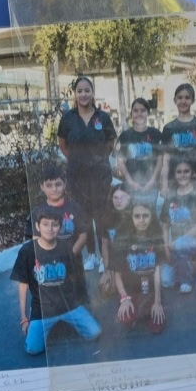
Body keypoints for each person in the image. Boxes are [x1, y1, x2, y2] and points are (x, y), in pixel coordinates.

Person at [11, 208, 101, 357]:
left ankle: (67, 321)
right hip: (43, 309)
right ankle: (46, 325)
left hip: (68, 304)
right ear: (38, 226)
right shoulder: (27, 251)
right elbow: (23, 285)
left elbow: (73, 277)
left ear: (60, 227)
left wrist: (82, 303)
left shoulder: (66, 248)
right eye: (45, 224)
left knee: (95, 333)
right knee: (33, 349)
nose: (50, 229)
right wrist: (23, 318)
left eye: (54, 225)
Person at [56, 76, 117, 268]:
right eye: (80, 91)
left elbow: (111, 142)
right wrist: (77, 160)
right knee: (83, 216)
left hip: (100, 176)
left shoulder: (103, 117)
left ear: (92, 93)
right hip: (77, 177)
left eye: (87, 90)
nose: (83, 94)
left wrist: (99, 160)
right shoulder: (68, 118)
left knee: (101, 216)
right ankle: (91, 255)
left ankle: (104, 257)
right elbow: (63, 144)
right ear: (75, 94)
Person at [112, 199, 166, 334]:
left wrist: (158, 302)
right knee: (126, 318)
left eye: (145, 216)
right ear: (131, 218)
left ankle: (146, 311)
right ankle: (137, 309)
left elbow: (157, 271)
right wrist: (124, 298)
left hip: (150, 291)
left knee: (157, 326)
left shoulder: (156, 238)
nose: (141, 220)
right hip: (130, 290)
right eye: (137, 216)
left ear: (152, 217)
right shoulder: (123, 239)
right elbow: (117, 273)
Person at [24, 160, 89, 256]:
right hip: (47, 260)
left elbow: (83, 235)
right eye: (49, 185)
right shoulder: (37, 212)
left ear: (64, 184)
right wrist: (48, 257)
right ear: (42, 187)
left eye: (58, 184)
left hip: (72, 259)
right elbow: (35, 239)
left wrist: (69, 256)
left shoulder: (75, 208)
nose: (54, 189)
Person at [160, 158, 196, 293]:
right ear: (174, 175)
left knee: (181, 246)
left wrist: (179, 241)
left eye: (186, 171)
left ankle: (186, 281)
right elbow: (165, 225)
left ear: (192, 173)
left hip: (195, 241)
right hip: (174, 246)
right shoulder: (170, 197)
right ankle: (190, 266)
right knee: (166, 281)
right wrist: (166, 248)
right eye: (179, 172)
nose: (183, 175)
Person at [160, 83, 196, 193]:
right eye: (180, 98)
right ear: (175, 100)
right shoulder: (169, 128)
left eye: (187, 98)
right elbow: (166, 159)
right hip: (175, 180)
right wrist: (164, 184)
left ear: (193, 100)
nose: (183, 101)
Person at [116, 97, 164, 195]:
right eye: (135, 111)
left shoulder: (156, 134)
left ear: (148, 113)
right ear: (131, 114)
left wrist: (152, 181)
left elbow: (160, 160)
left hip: (152, 187)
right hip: (131, 188)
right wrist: (131, 182)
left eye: (143, 110)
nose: (139, 114)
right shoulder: (125, 136)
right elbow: (120, 162)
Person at [99, 182, 133, 295]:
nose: (119, 201)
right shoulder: (107, 217)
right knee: (106, 288)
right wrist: (107, 270)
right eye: (115, 197)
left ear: (129, 198)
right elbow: (104, 245)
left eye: (122, 197)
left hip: (132, 259)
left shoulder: (136, 215)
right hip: (115, 260)